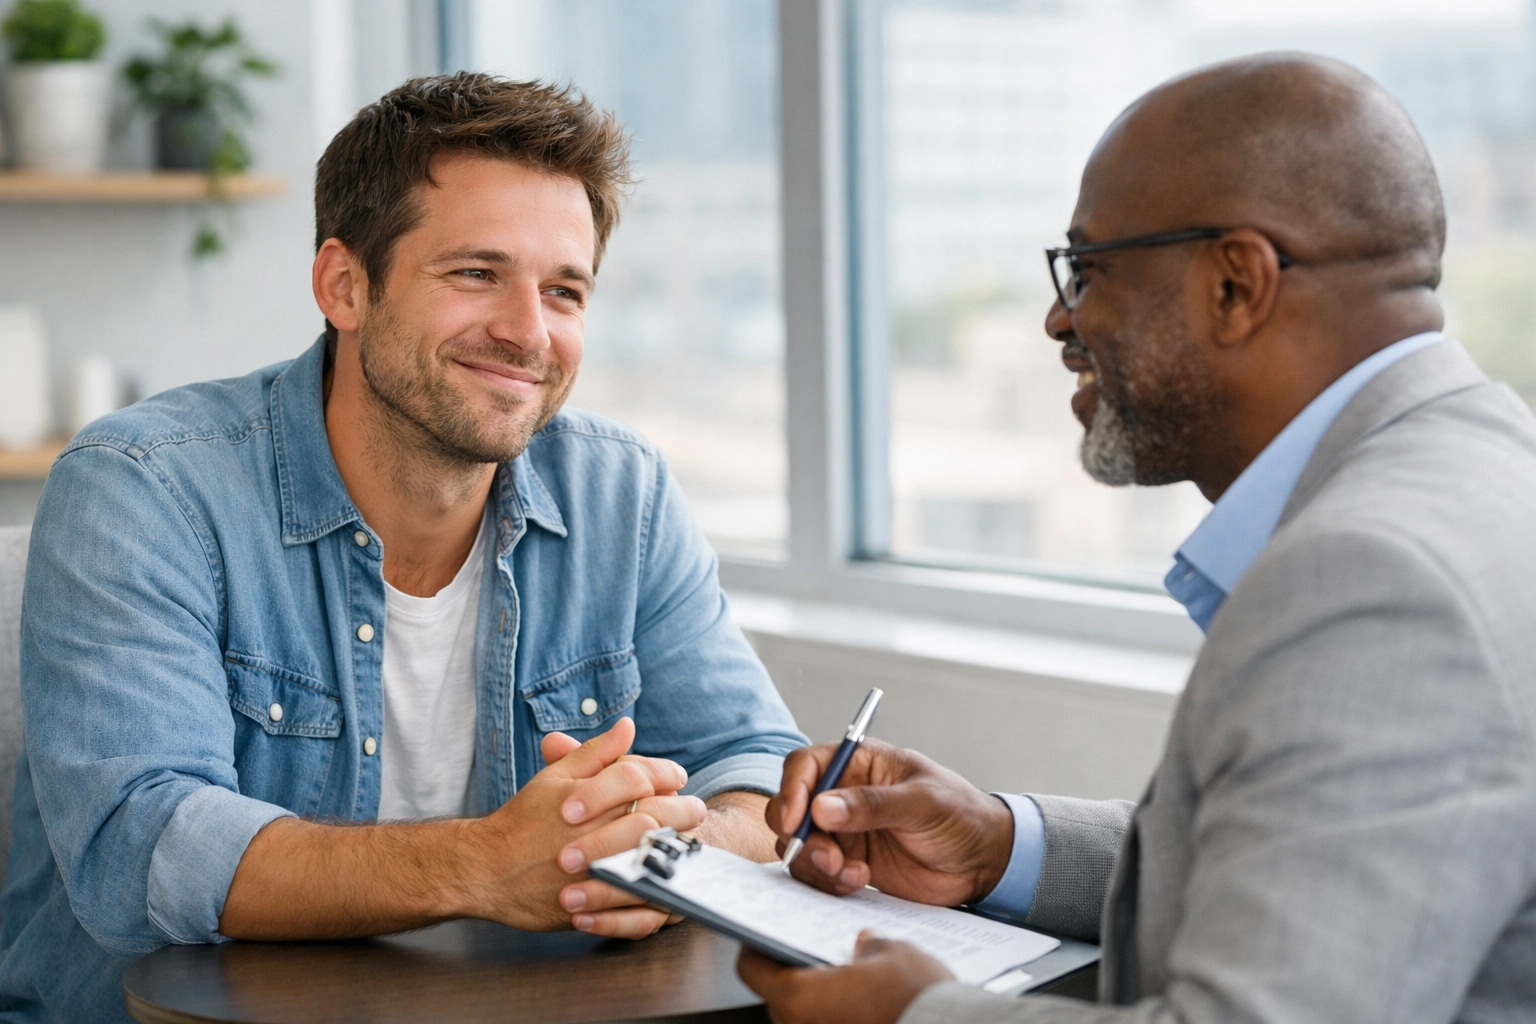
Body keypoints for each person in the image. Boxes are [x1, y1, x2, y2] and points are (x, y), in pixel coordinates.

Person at [738, 52, 1536, 1024]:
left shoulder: (1373, 576)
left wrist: (919, 1014)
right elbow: (1311, 859)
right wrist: (998, 843)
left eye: (1088, 269)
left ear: (1236, 284)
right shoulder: (1482, 462)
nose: (1057, 319)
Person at [0, 73, 807, 1022]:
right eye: (476, 273)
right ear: (344, 284)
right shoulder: (142, 487)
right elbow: (142, 847)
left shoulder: (621, 494)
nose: (527, 332)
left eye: (564, 290)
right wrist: (487, 864)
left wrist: (659, 852)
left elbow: (760, 770)